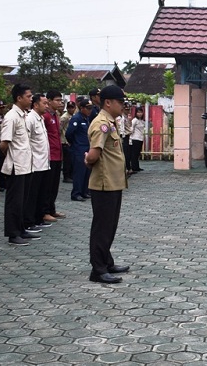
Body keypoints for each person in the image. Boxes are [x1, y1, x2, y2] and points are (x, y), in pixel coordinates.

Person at [84, 85, 129, 284]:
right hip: (104, 183)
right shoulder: (101, 123)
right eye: (120, 102)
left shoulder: (110, 122)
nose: (122, 106)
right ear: (108, 102)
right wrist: (87, 160)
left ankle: (107, 261)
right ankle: (98, 269)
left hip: (113, 181)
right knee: (102, 227)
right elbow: (94, 153)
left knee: (110, 225)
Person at [0, 84, 35, 246]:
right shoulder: (11, 116)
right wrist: (12, 157)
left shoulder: (23, 115)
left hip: (25, 164)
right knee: (14, 200)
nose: (31, 98)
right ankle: (13, 233)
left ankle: (20, 229)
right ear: (19, 98)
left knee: (23, 200)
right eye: (28, 96)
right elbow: (4, 143)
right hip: (16, 165)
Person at [24, 94, 51, 233]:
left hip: (43, 162)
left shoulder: (40, 118)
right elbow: (27, 141)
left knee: (41, 193)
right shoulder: (30, 119)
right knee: (32, 195)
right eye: (44, 103)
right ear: (35, 105)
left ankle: (38, 218)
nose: (47, 106)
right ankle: (29, 221)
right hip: (34, 163)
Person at [41, 90, 65, 222]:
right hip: (49, 155)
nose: (60, 103)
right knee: (48, 186)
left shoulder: (55, 115)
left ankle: (52, 209)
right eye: (57, 100)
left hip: (58, 153)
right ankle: (44, 211)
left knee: (55, 185)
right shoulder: (45, 116)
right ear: (49, 101)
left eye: (61, 100)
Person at [66, 98, 93, 201]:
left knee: (86, 172)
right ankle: (76, 193)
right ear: (81, 108)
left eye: (91, 108)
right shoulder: (76, 118)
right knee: (79, 172)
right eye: (88, 108)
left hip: (86, 148)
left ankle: (84, 191)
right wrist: (75, 143)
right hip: (78, 149)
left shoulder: (85, 118)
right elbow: (69, 133)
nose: (90, 110)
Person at [60, 100, 75, 183]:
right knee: (67, 160)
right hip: (65, 141)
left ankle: (70, 175)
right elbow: (60, 129)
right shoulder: (64, 117)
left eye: (72, 107)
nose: (70, 109)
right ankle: (66, 176)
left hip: (71, 141)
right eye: (69, 108)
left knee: (71, 160)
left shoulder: (74, 116)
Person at [129, 106, 145, 173]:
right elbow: (131, 129)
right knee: (134, 154)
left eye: (141, 112)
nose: (140, 114)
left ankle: (137, 167)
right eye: (138, 112)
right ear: (136, 113)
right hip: (135, 138)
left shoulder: (141, 121)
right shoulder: (134, 120)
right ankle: (134, 167)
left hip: (140, 138)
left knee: (138, 154)